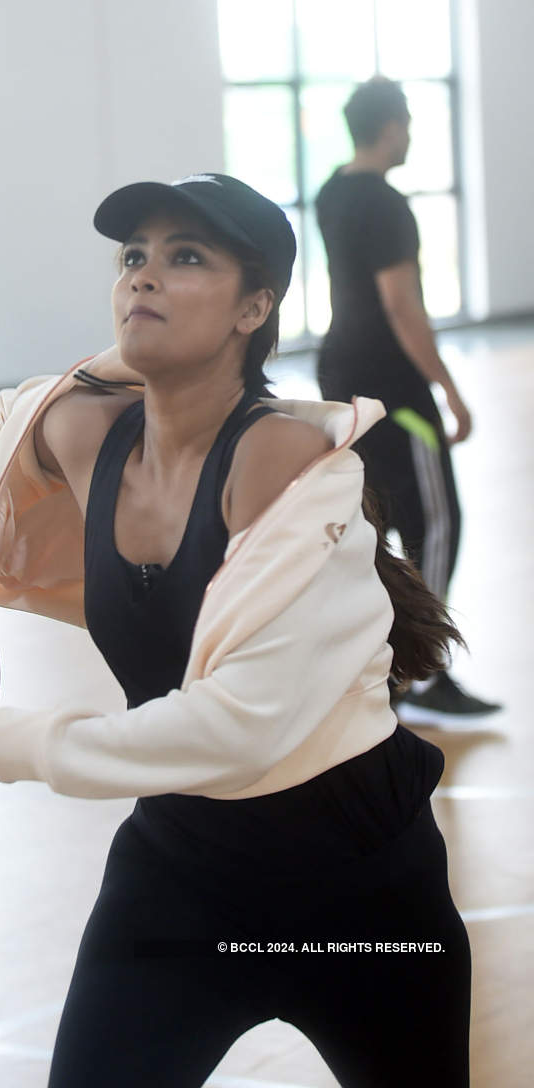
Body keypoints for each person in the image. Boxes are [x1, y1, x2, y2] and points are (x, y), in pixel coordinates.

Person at [0, 174, 471, 1086]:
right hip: (181, 876)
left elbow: (238, 726)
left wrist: (7, 744)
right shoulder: (91, 433)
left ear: (255, 306)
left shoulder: (286, 464)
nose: (144, 275)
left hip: (360, 892)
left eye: (185, 257)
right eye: (134, 255)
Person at [316, 77, 501, 727]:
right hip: (395, 385)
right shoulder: (389, 205)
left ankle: (383, 669)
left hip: (340, 373)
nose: (413, 135)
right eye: (409, 123)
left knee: (376, 521)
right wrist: (447, 387)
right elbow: (401, 305)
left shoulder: (331, 192)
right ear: (390, 126)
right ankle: (426, 668)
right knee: (438, 521)